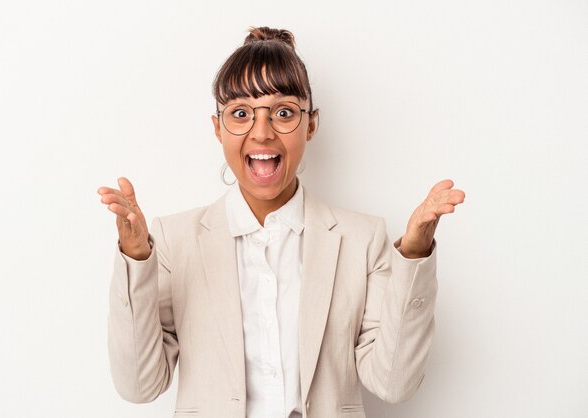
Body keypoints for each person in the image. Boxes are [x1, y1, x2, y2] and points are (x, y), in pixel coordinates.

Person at [97, 26, 465, 418]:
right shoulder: (175, 240)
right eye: (240, 113)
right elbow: (140, 386)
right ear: (217, 127)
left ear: (310, 124)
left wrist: (414, 254)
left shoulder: (363, 239)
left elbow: (392, 383)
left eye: (284, 112)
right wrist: (136, 259)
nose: (262, 132)